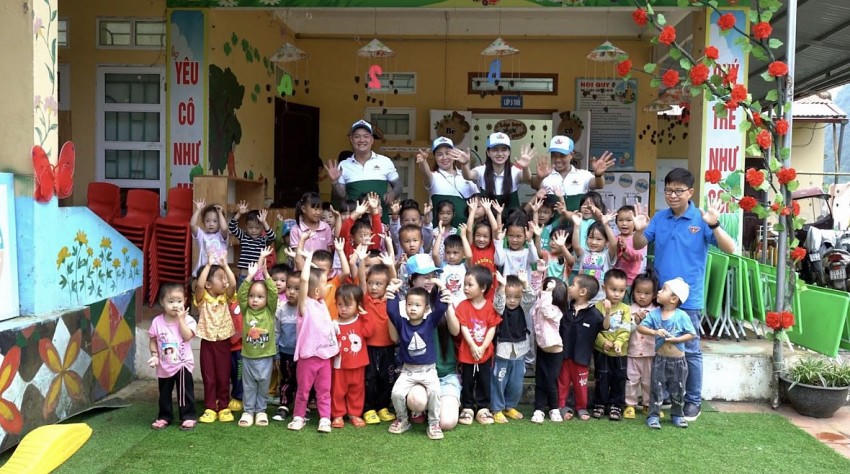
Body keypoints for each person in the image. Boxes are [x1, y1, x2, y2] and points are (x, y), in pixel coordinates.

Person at [632, 167, 736, 422]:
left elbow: (730, 248)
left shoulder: (701, 218)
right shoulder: (660, 217)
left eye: (678, 191)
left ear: (690, 192)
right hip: (662, 296)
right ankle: (669, 395)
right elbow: (638, 244)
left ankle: (692, 401)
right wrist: (639, 229)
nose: (672, 195)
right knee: (663, 345)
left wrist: (715, 224)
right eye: (668, 190)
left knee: (690, 350)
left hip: (689, 298)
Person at [386, 282, 456, 440]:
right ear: (405, 306)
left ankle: (434, 424)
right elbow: (391, 311)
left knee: (435, 393)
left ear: (426, 308)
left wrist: (442, 288)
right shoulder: (402, 324)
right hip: (408, 371)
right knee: (396, 393)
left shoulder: (430, 322)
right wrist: (392, 293)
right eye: (409, 304)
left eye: (417, 305)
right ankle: (402, 420)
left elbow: (441, 308)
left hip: (428, 370)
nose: (413, 308)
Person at [288, 250, 340, 433]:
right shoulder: (305, 306)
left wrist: (313, 266)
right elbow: (304, 281)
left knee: (324, 390)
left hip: (324, 358)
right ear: (317, 290)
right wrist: (308, 258)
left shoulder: (321, 303)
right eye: (325, 284)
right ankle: (298, 417)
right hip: (308, 358)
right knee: (303, 391)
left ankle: (325, 419)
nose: (328, 286)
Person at [637, 277, 696, 429]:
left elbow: (691, 334)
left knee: (678, 389)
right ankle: (653, 415)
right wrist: (655, 332)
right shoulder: (654, 314)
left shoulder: (681, 316)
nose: (659, 291)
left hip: (678, 362)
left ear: (674, 299)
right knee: (656, 388)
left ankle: (677, 414)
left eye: (663, 290)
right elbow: (640, 328)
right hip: (660, 359)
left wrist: (676, 340)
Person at [324, 119, 402, 224]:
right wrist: (334, 182)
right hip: (355, 223)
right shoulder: (344, 165)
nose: (361, 140)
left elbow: (398, 186)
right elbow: (341, 195)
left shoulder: (385, 161)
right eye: (357, 136)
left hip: (381, 221)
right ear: (351, 139)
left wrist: (393, 193)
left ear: (372, 140)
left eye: (366, 136)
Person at [236, 248, 278, 428]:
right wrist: (249, 277)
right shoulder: (246, 311)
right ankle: (248, 411)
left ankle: (261, 411)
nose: (254, 300)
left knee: (263, 384)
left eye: (260, 297)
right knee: (249, 385)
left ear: (267, 300)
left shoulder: (269, 311)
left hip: (265, 356)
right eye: (252, 296)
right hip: (248, 356)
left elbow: (274, 292)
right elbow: (241, 294)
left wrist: (266, 273)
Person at [455, 265, 502, 425]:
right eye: (464, 284)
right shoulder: (463, 306)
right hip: (467, 352)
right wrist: (473, 346)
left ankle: (483, 408)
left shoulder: (490, 306)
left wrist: (482, 347)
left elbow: (492, 328)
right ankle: (467, 407)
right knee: (467, 380)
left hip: (485, 353)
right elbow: (463, 327)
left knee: (484, 380)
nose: (465, 288)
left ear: (482, 288)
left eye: (470, 285)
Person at [194, 254, 238, 424]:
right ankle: (210, 407)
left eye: (225, 278)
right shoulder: (202, 299)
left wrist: (225, 266)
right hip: (207, 342)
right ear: (208, 284)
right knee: (209, 376)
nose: (225, 281)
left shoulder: (225, 297)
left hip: (223, 342)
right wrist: (208, 265)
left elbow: (233, 284)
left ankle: (224, 406)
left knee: (223, 375)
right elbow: (199, 285)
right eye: (221, 278)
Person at [148, 284, 197, 431]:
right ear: (162, 302)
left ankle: (188, 416)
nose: (175, 305)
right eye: (170, 301)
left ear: (185, 301)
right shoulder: (157, 322)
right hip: (164, 365)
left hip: (182, 364)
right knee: (164, 393)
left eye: (179, 301)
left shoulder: (188, 320)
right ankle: (164, 416)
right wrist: (155, 355)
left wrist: (181, 320)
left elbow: (187, 336)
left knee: (184, 392)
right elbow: (153, 340)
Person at [491, 271, 536, 424]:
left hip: (520, 349)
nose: (512, 300)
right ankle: (497, 408)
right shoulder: (501, 307)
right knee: (499, 380)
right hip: (503, 349)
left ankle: (509, 406)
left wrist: (525, 283)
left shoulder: (523, 307)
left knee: (516, 382)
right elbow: (498, 303)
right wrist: (501, 287)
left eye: (516, 297)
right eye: (508, 296)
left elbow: (531, 298)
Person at [557, 274, 604, 422]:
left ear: (583, 292)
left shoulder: (594, 314)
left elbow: (604, 327)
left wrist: (608, 312)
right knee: (562, 382)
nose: (569, 287)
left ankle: (581, 407)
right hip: (563, 354)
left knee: (581, 385)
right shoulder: (565, 308)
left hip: (582, 357)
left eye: (573, 285)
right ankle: (561, 406)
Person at [591, 269, 632, 421]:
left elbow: (626, 329)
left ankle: (616, 405)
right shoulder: (597, 307)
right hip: (602, 351)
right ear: (604, 287)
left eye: (621, 290)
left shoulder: (626, 309)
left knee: (619, 378)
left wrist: (619, 342)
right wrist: (603, 342)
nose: (617, 294)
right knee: (602, 377)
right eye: (613, 289)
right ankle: (600, 403)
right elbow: (593, 329)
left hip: (620, 352)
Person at [533, 135, 615, 211]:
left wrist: (598, 175)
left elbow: (599, 185)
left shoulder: (583, 175)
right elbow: (535, 185)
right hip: (552, 222)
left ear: (571, 155)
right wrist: (539, 177)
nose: (557, 160)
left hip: (577, 221)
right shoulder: (545, 175)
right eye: (554, 155)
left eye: (562, 155)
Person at [457, 132, 533, 212]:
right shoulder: (481, 170)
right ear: (488, 153)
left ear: (509, 152)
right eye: (495, 150)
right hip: (487, 217)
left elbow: (527, 179)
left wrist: (526, 167)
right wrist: (464, 164)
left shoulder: (514, 171)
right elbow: (468, 176)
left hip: (512, 217)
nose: (500, 154)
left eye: (504, 149)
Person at [331, 284, 373, 429]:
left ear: (358, 305)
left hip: (358, 364)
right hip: (339, 365)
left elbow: (369, 332)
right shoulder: (334, 324)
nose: (343, 309)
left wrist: (365, 315)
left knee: (357, 390)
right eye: (340, 305)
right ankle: (338, 414)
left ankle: (354, 414)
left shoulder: (360, 321)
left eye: (348, 305)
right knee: (337, 391)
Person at [416, 136, 479, 227]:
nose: (444, 157)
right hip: (442, 233)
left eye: (447, 153)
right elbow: (426, 173)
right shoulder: (434, 177)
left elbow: (478, 203)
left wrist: (465, 164)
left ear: (454, 153)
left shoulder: (466, 176)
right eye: (439, 154)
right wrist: (423, 162)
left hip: (466, 231)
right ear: (435, 157)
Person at [530, 277, 566, 424]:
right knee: (540, 381)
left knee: (550, 381)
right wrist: (539, 274)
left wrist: (547, 292)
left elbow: (546, 311)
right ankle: (539, 409)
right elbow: (536, 302)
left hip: (555, 352)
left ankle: (554, 408)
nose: (543, 291)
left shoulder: (556, 311)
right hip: (542, 349)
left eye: (547, 289)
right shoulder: (540, 305)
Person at [625, 272, 659, 419]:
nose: (642, 296)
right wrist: (635, 320)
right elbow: (625, 329)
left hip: (650, 353)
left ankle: (647, 404)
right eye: (638, 292)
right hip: (632, 352)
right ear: (633, 292)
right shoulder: (627, 309)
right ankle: (630, 405)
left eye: (647, 293)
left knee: (648, 381)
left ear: (654, 295)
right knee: (631, 380)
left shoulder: (657, 312)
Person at [571, 211, 618, 303]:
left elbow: (613, 244)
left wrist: (606, 225)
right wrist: (576, 226)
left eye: (599, 239)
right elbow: (576, 246)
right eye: (591, 237)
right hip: (582, 299)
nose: (593, 242)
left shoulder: (607, 255)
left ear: (606, 242)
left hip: (600, 299)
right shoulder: (584, 253)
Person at [273, 265, 299, 421]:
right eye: (289, 287)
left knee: (302, 381)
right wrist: (276, 354)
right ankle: (284, 404)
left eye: (296, 289)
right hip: (285, 353)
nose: (291, 292)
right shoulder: (281, 309)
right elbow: (276, 332)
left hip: (302, 354)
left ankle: (302, 406)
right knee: (286, 380)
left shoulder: (305, 309)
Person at [228, 201, 276, 281]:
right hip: (244, 274)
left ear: (262, 228)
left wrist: (264, 222)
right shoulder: (243, 236)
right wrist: (239, 214)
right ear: (246, 226)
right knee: (243, 289)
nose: (253, 230)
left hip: (258, 274)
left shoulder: (263, 240)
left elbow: (272, 237)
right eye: (250, 228)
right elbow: (232, 227)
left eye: (257, 228)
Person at [190, 200, 228, 274]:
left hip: (218, 272)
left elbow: (224, 228)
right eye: (207, 221)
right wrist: (198, 210)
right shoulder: (201, 235)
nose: (211, 224)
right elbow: (192, 225)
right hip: (203, 271)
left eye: (215, 221)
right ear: (203, 222)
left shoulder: (221, 235)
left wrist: (220, 213)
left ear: (220, 222)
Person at [613, 205, 646, 287]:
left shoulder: (638, 238)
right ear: (616, 222)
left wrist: (625, 249)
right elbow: (611, 257)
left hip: (632, 281)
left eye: (629, 220)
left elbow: (637, 256)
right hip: (616, 280)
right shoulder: (615, 238)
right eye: (620, 220)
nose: (624, 223)